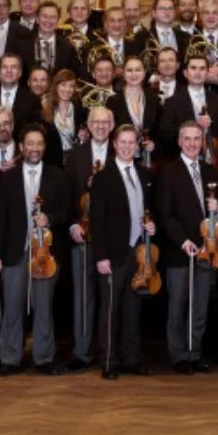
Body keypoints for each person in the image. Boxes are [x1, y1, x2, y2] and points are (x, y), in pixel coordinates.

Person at [0, 125, 72, 375]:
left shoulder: (58, 176)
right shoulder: (7, 177)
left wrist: (50, 218)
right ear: (21, 147)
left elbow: (68, 211)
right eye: (30, 143)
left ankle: (44, 358)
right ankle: (10, 358)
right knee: (12, 306)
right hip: (14, 251)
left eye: (39, 144)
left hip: (45, 253)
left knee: (43, 306)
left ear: (44, 147)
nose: (34, 148)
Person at [158, 120, 218, 373]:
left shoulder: (210, 171)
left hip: (207, 250)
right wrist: (184, 241)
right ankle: (179, 356)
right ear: (179, 141)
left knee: (199, 306)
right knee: (178, 306)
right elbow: (165, 215)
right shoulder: (169, 172)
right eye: (187, 138)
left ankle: (194, 352)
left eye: (197, 139)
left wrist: (217, 211)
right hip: (180, 250)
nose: (192, 143)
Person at [90, 124, 153, 379]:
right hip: (113, 253)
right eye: (123, 142)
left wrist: (152, 224)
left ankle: (131, 359)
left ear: (137, 146)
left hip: (138, 251)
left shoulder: (145, 174)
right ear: (115, 144)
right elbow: (97, 221)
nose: (127, 147)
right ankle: (109, 362)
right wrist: (101, 256)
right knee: (110, 309)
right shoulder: (103, 177)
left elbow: (149, 209)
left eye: (131, 142)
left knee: (132, 308)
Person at [65, 105, 116, 372]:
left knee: (111, 298)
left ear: (112, 125)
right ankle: (82, 353)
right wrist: (73, 224)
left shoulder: (121, 151)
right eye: (96, 122)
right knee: (83, 296)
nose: (100, 126)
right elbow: (66, 196)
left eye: (105, 122)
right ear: (87, 124)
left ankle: (110, 353)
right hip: (82, 235)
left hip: (112, 237)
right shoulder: (74, 156)